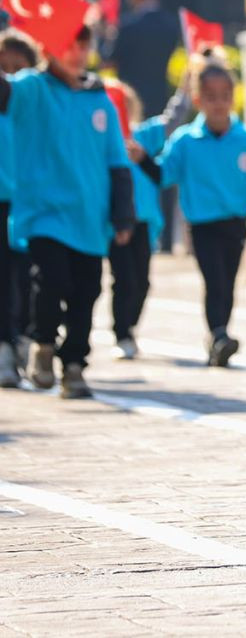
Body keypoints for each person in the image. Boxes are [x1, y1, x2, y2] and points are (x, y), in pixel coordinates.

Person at [0, 25, 135, 399]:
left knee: (88, 290)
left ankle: (74, 364)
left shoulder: (100, 100)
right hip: (44, 214)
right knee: (52, 280)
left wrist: (123, 214)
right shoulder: (31, 88)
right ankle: (43, 343)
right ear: (48, 47)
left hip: (89, 219)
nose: (76, 52)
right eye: (68, 44)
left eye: (83, 44)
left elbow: (117, 161)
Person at [152, 54, 246, 366]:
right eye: (210, 97)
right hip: (202, 224)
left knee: (229, 281)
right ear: (198, 100)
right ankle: (219, 334)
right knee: (214, 279)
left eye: (224, 97)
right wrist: (141, 158)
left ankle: (219, 336)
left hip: (235, 222)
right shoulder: (185, 141)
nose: (218, 104)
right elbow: (163, 174)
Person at [108, 76, 192, 361]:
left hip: (143, 219)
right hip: (115, 219)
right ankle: (120, 332)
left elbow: (173, 119)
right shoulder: (101, 139)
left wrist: (186, 86)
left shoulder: (143, 134)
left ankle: (128, 327)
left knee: (142, 281)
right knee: (124, 279)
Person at [0, 29, 40, 388]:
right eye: (3, 67)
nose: (10, 75)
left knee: (29, 278)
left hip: (32, 203)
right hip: (1, 202)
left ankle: (26, 339)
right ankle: (4, 349)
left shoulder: (37, 109)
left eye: (19, 68)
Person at [103, 0, 183, 117]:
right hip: (159, 98)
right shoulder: (171, 25)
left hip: (130, 102)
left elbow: (109, 61)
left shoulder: (128, 26)